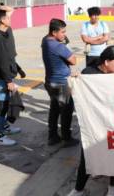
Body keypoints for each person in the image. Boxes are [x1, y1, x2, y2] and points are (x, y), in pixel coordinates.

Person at [67, 46, 114, 196]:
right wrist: (74, 82)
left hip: (113, 123)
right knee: (87, 157)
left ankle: (113, 186)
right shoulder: (88, 74)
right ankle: (78, 189)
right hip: (94, 124)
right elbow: (75, 94)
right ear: (106, 62)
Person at [0, 9, 23, 146]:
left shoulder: (1, 35)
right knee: (2, 107)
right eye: (7, 17)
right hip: (2, 79)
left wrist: (18, 69)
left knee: (5, 105)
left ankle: (5, 127)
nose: (10, 19)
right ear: (1, 20)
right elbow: (2, 62)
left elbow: (7, 58)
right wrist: (8, 81)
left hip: (4, 77)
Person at [42, 19, 79, 147]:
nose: (64, 34)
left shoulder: (45, 40)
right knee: (66, 111)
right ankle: (66, 138)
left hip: (50, 81)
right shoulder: (58, 46)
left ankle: (52, 136)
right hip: (61, 83)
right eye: (62, 32)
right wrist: (65, 45)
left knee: (54, 109)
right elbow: (73, 60)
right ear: (54, 32)